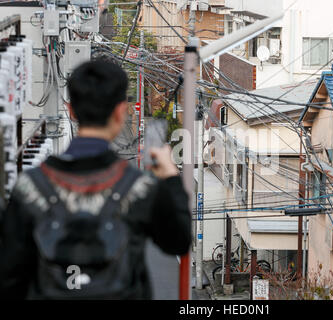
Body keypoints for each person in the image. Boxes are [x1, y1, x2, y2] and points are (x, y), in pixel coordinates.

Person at [0, 60, 191, 299]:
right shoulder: (141, 187)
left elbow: (10, 278)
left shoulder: (29, 186)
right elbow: (179, 241)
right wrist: (171, 177)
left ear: (71, 110)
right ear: (121, 111)